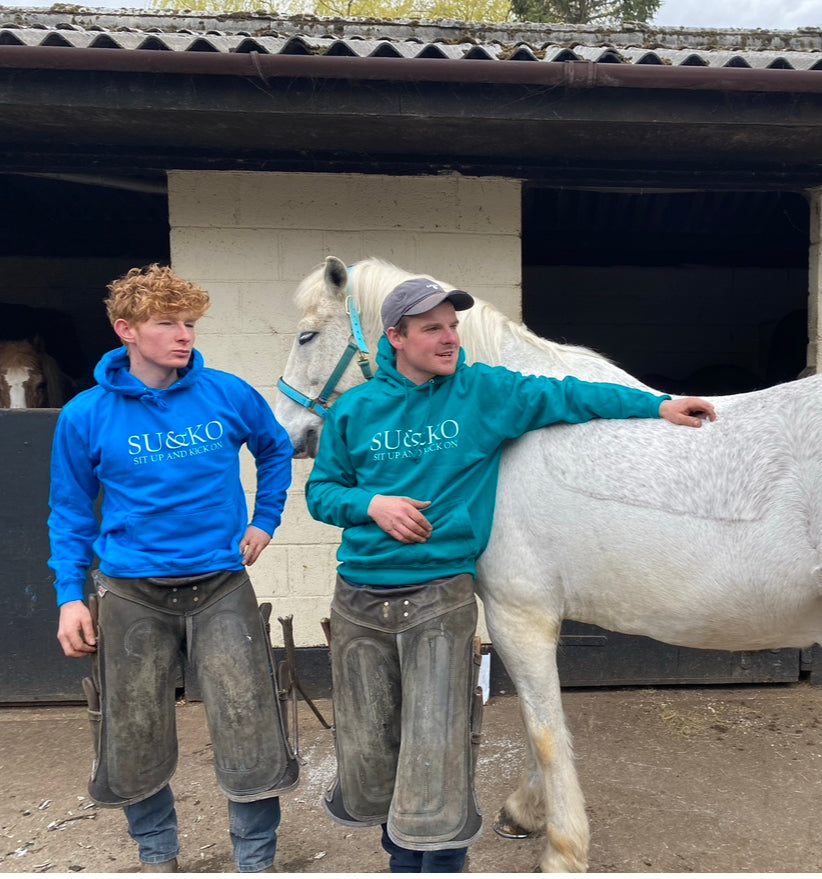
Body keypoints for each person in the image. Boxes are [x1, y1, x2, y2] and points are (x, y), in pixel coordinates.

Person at [304, 276, 717, 873]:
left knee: (439, 746)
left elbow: (572, 395)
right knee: (373, 747)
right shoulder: (355, 409)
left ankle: (440, 863)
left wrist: (658, 405)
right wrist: (371, 505)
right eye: (432, 329)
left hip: (438, 595)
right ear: (395, 337)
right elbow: (321, 493)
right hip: (358, 599)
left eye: (453, 327)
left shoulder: (484, 393)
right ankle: (399, 852)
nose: (449, 338)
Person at [48, 264, 298, 873]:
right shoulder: (84, 414)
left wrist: (265, 521)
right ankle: (158, 853)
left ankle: (255, 859)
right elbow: (70, 510)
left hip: (219, 586)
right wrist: (69, 596)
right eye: (167, 324)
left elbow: (275, 448)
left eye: (189, 323)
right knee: (133, 728)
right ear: (125, 330)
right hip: (131, 591)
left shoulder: (228, 393)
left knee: (248, 721)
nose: (184, 335)